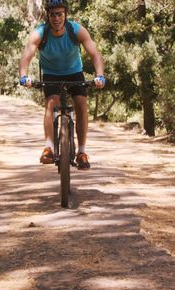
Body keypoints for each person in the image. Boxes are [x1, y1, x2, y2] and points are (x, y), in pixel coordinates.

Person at [19, 0, 105, 170]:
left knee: (81, 103)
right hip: (51, 74)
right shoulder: (40, 33)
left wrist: (99, 76)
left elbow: (95, 54)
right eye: (52, 14)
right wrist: (24, 76)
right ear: (48, 16)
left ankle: (81, 152)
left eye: (60, 14)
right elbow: (26, 56)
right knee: (51, 103)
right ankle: (49, 148)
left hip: (74, 73)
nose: (56, 18)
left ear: (65, 14)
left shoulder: (76, 30)